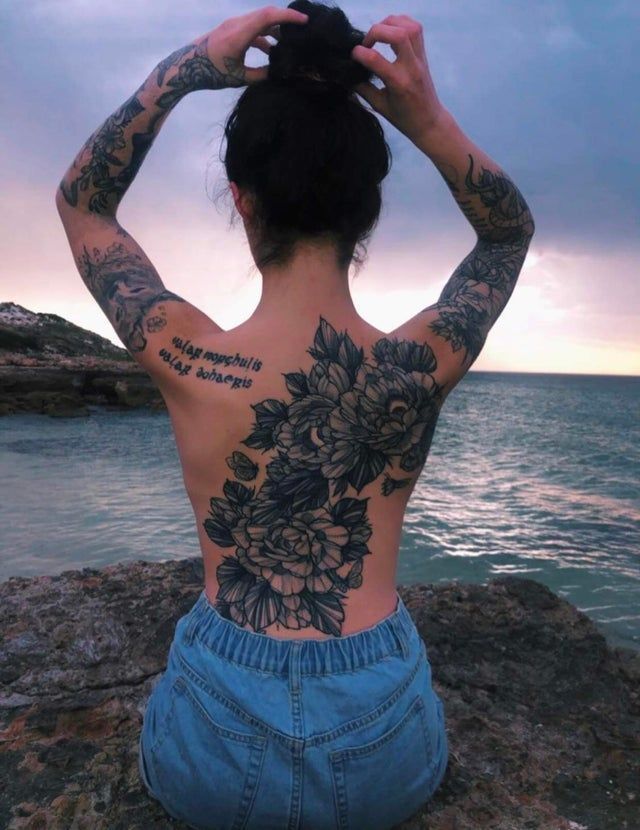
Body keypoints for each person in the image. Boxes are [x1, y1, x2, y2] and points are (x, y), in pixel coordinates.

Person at [55, 1, 535, 827]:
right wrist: (428, 118)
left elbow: (84, 203)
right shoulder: (418, 365)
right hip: (382, 736)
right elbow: (505, 236)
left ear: (242, 202)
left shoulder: (185, 355)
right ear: (368, 211)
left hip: (214, 728)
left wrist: (190, 67)